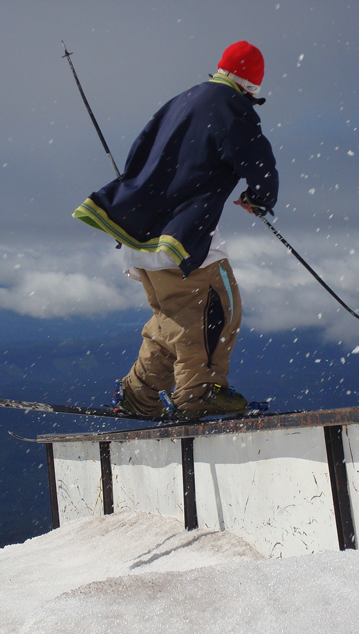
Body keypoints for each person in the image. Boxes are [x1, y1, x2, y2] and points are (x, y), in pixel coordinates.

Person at [73, 41, 279, 418]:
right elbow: (257, 159)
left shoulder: (182, 101)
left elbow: (140, 151)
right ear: (251, 87)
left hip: (140, 235)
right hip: (180, 239)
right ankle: (203, 392)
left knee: (173, 319)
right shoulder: (231, 107)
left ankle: (139, 393)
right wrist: (261, 197)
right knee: (218, 307)